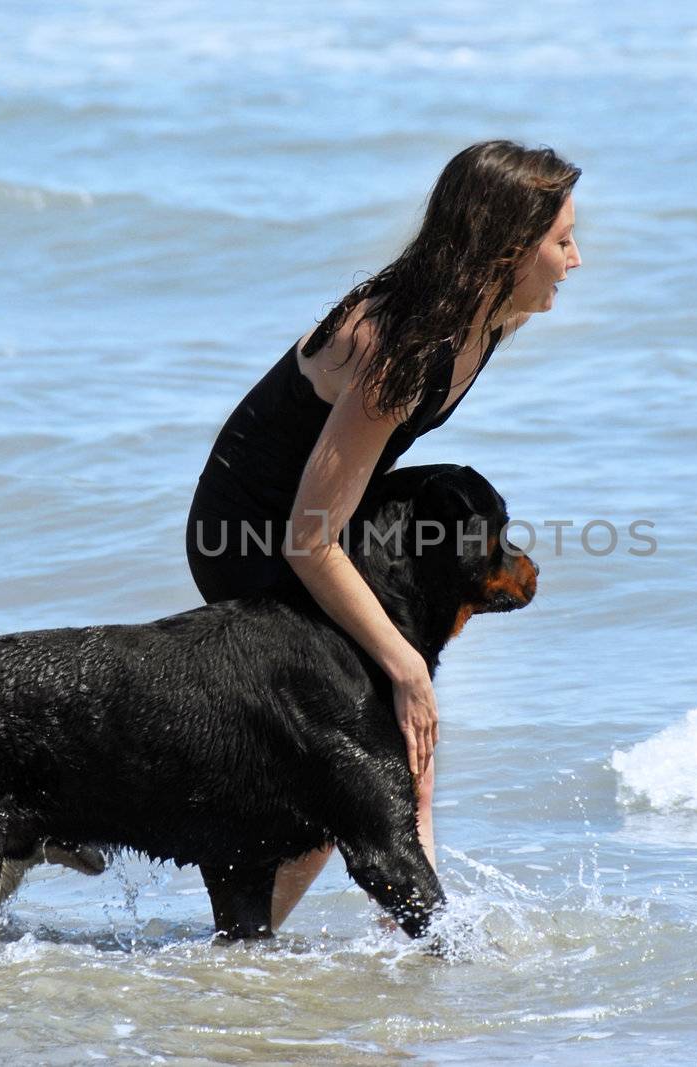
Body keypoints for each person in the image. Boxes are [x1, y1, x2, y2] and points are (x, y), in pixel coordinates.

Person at [185, 139, 581, 930]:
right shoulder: (400, 343)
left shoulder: (488, 319)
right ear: (507, 249)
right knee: (370, 744)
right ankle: (262, 949)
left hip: (325, 518)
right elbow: (307, 537)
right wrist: (403, 664)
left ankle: (394, 929)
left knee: (392, 749)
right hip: (254, 538)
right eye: (563, 240)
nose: (576, 260)